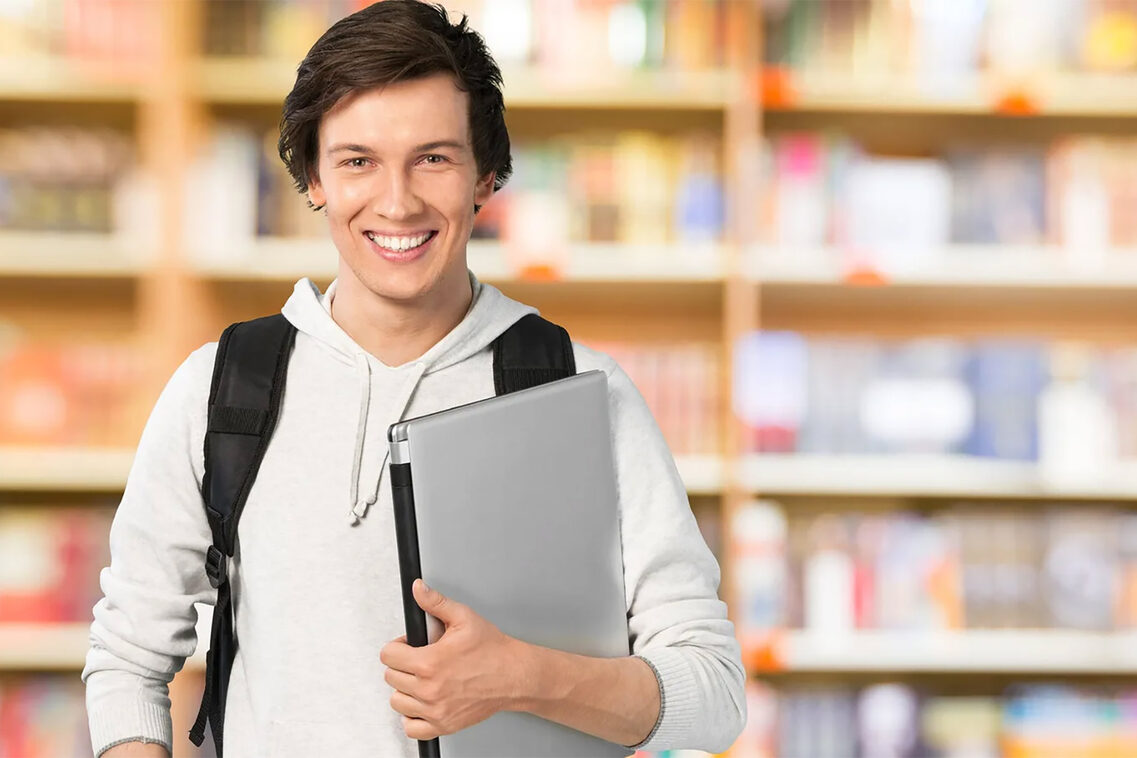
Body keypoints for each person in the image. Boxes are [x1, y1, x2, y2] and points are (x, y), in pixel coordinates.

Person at [82, 2, 746, 756]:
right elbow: (128, 660)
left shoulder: (578, 392)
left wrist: (526, 678)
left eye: (432, 157)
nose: (396, 202)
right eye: (357, 160)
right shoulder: (218, 391)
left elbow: (713, 695)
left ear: (484, 179)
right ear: (313, 179)